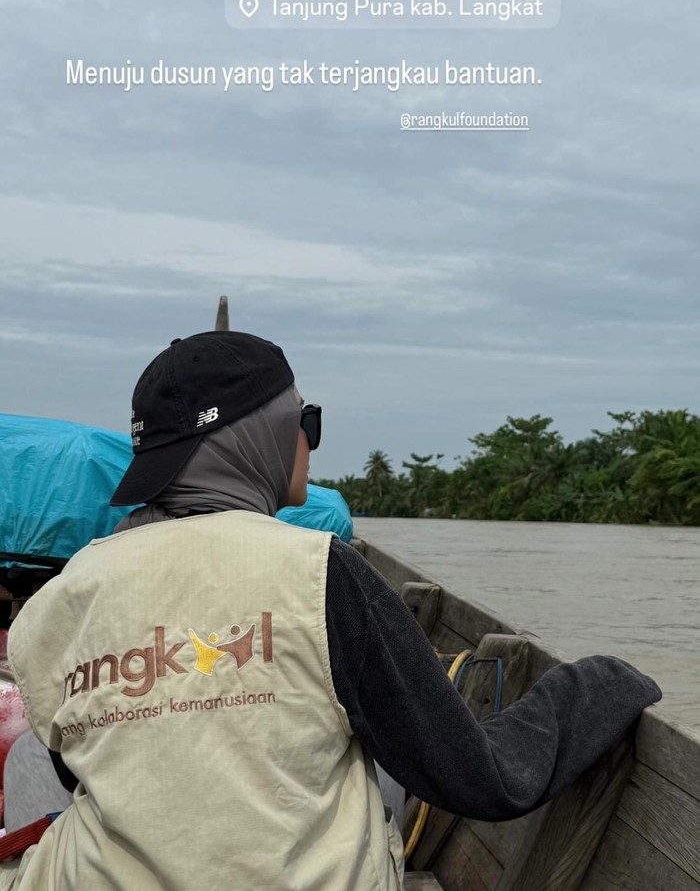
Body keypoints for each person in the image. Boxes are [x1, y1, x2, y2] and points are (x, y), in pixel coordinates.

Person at [3, 331, 661, 891]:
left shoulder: (64, 593)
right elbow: (482, 779)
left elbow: (73, 769)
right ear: (256, 436)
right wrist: (603, 680)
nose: (310, 441)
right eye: (304, 421)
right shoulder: (320, 569)